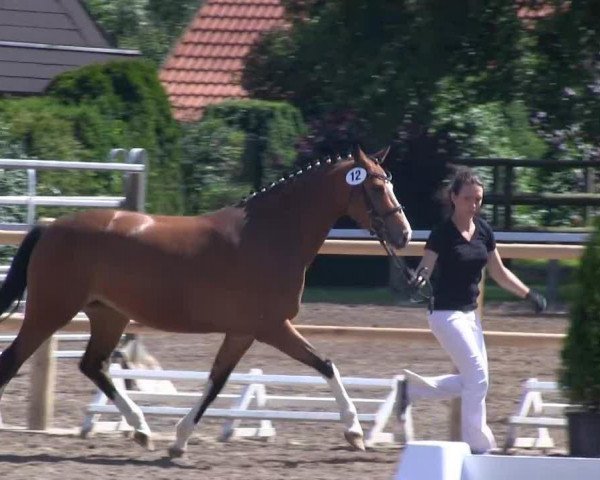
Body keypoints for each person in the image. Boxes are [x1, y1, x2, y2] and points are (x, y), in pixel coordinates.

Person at [397, 167, 547, 454]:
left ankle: (411, 391)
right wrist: (415, 281)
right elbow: (425, 269)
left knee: (475, 381)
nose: (474, 204)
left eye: (478, 199)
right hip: (444, 314)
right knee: (477, 377)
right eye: (468, 198)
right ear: (453, 198)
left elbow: (500, 273)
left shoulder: (484, 231)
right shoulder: (441, 234)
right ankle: (479, 445)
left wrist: (528, 294)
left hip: (470, 316)